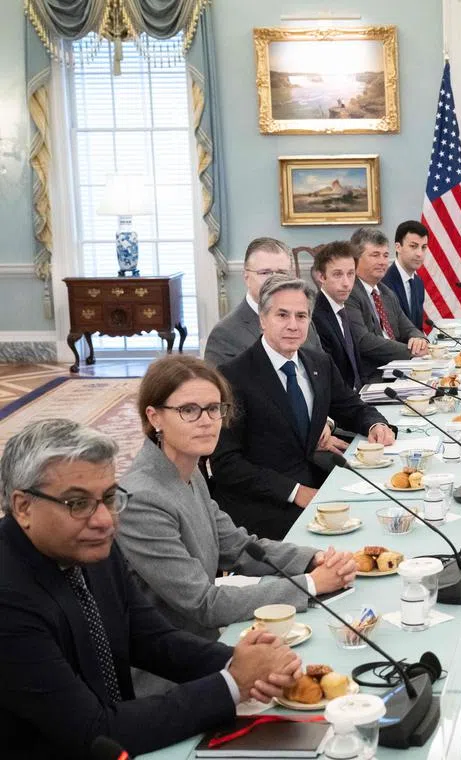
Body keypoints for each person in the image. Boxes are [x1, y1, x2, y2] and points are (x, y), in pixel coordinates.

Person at [0, 419, 301, 758]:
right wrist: (232, 683)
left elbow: (152, 640)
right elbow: (94, 730)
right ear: (23, 507)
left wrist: (244, 661)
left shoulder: (90, 544)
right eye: (77, 504)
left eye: (110, 498)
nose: (103, 520)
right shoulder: (8, 598)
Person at [118, 355, 357, 645]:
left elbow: (238, 547)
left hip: (207, 639)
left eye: (213, 409)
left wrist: (312, 559)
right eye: (189, 410)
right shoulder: (141, 498)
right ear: (154, 417)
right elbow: (204, 603)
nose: (206, 422)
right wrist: (310, 584)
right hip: (177, 662)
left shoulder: (188, 469)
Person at [210, 276, 396, 540]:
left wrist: (376, 424)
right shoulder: (233, 376)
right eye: (282, 315)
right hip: (262, 505)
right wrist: (295, 491)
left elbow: (351, 407)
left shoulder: (317, 362)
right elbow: (226, 464)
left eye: (301, 316)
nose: (293, 326)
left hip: (315, 483)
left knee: (383, 513)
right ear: (262, 319)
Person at [203, 237, 320, 366]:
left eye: (282, 273)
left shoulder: (305, 323)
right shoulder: (225, 334)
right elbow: (222, 385)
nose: (275, 280)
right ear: (246, 277)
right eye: (265, 272)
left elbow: (321, 372)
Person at [344, 228, 429, 364]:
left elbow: (409, 328)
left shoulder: (386, 292)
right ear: (356, 259)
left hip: (397, 366)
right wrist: (412, 351)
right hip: (373, 374)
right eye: (375, 255)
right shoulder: (349, 293)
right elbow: (364, 342)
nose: (382, 262)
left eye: (385, 255)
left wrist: (419, 340)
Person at [311, 241, 369, 390]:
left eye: (350, 274)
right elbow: (331, 379)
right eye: (337, 274)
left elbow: (356, 368)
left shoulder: (343, 309)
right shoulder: (316, 317)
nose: (346, 283)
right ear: (321, 276)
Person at [382, 220, 430, 329]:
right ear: (398, 247)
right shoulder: (384, 283)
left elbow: (417, 328)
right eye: (413, 246)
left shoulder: (418, 283)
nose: (419, 254)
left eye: (423, 247)